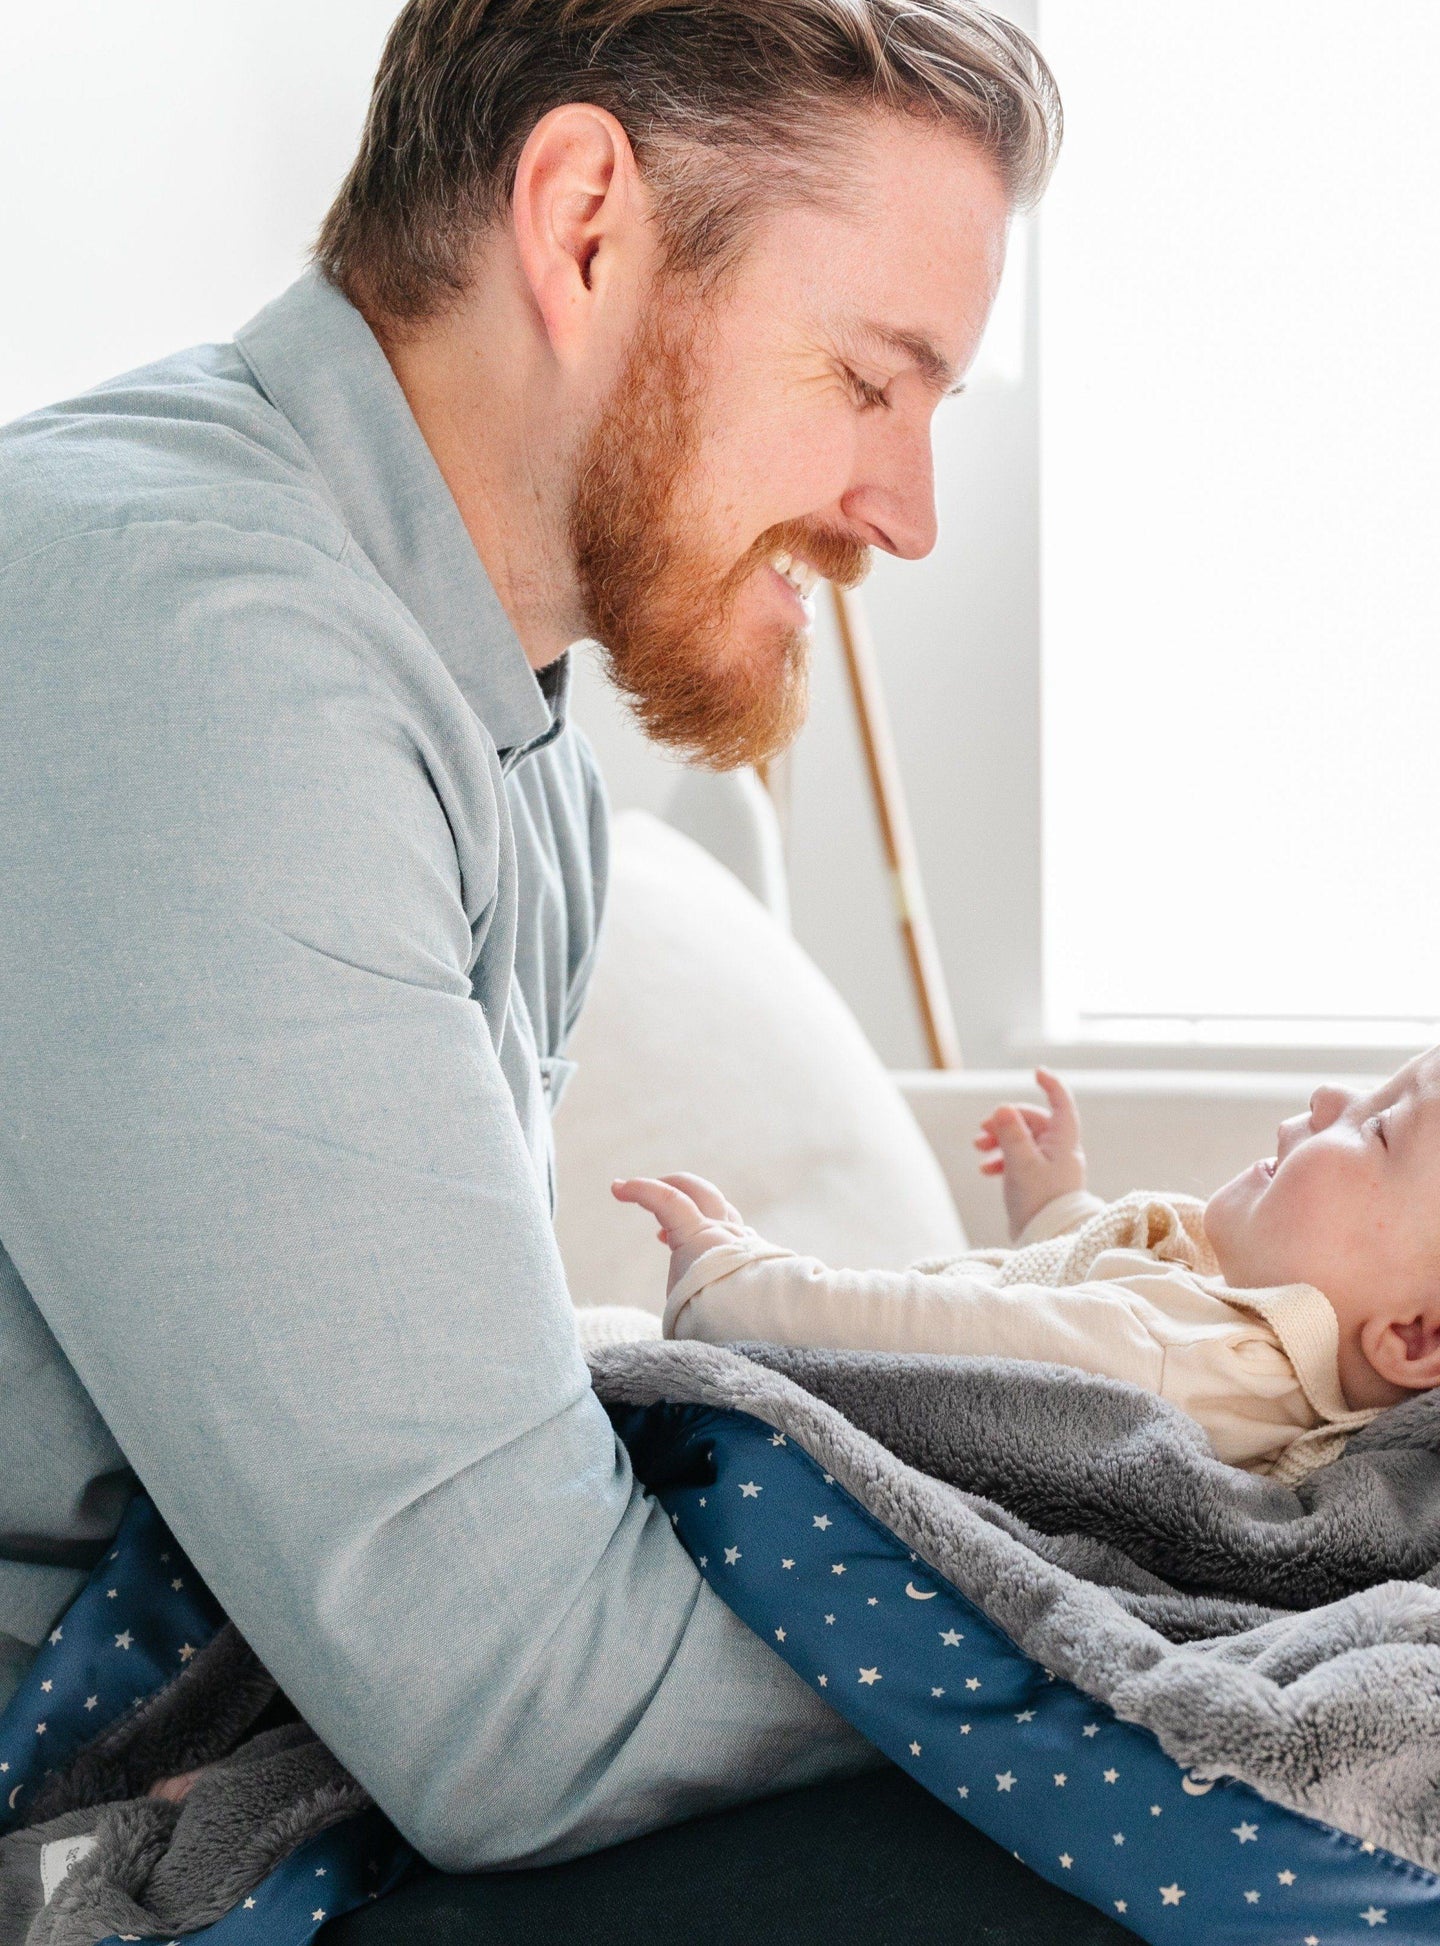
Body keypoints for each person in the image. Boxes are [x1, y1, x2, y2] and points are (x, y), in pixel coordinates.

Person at [0, 0, 1061, 1883]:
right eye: (865, 380)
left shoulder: (520, 756)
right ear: (582, 226)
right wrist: (1153, 1614)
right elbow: (526, 1709)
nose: (903, 516)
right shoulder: (191, 647)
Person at [618, 1025, 1440, 1480]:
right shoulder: (1238, 1321)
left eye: (1379, 1126)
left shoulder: (1205, 1362)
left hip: (771, 1363)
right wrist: (1059, 1204)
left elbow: (963, 1338)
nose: (1324, 1099)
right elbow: (1087, 1301)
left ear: (1422, 1334)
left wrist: (740, 1282)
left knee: (599, 1350)